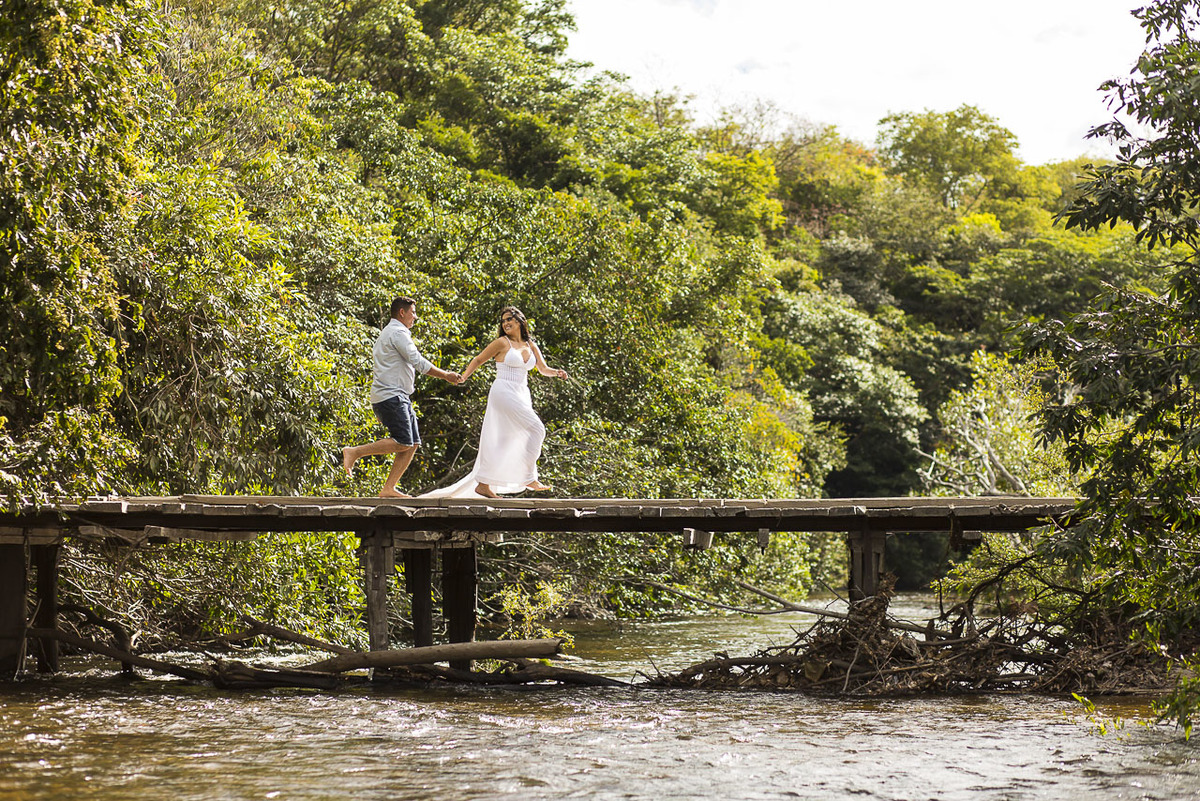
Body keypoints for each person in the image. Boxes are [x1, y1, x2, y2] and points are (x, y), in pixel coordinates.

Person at [424, 306, 569, 499]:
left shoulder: (531, 345)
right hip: (503, 390)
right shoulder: (502, 342)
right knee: (537, 428)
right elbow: (478, 360)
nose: (505, 323)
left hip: (522, 392)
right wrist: (464, 377)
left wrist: (557, 372)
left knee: (505, 439)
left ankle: (483, 484)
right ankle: (528, 477)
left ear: (519, 320)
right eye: (503, 321)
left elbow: (543, 369)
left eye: (509, 319)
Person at [342, 296, 462, 497]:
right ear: (402, 312)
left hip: (397, 396)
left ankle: (388, 488)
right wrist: (445, 375)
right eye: (413, 312)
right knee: (404, 442)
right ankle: (355, 452)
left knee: (412, 443)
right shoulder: (398, 333)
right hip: (391, 396)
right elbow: (418, 362)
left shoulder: (390, 332)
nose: (415, 317)